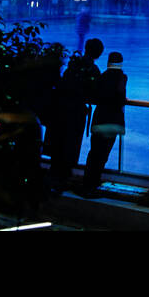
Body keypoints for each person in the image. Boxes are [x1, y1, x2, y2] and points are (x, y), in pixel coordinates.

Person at [46, 39, 103, 190]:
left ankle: (54, 178)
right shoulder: (92, 70)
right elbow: (95, 94)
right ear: (99, 53)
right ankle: (62, 180)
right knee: (70, 145)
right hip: (76, 113)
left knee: (58, 145)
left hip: (60, 110)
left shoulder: (72, 66)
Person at [83, 51, 127, 194]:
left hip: (99, 118)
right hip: (112, 121)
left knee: (94, 152)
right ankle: (92, 184)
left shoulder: (102, 76)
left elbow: (95, 96)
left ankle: (88, 183)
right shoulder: (122, 78)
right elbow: (120, 98)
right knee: (103, 154)